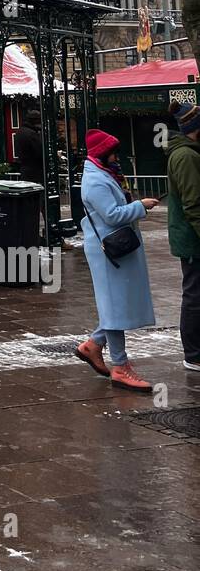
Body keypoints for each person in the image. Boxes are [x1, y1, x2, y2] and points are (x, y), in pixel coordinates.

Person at [74, 129, 159, 392]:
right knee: (114, 307)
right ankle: (120, 367)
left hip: (116, 250)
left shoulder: (103, 174)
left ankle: (94, 345)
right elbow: (111, 214)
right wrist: (141, 206)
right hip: (109, 252)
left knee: (116, 304)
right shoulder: (96, 180)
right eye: (113, 152)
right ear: (103, 153)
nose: (116, 157)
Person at [164, 103, 200, 372]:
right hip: (193, 240)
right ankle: (194, 354)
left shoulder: (189, 153)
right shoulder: (186, 156)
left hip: (191, 237)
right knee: (195, 295)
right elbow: (194, 203)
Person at [14, 108, 45, 185]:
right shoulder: (31, 134)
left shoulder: (20, 131)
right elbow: (39, 152)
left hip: (24, 168)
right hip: (35, 170)